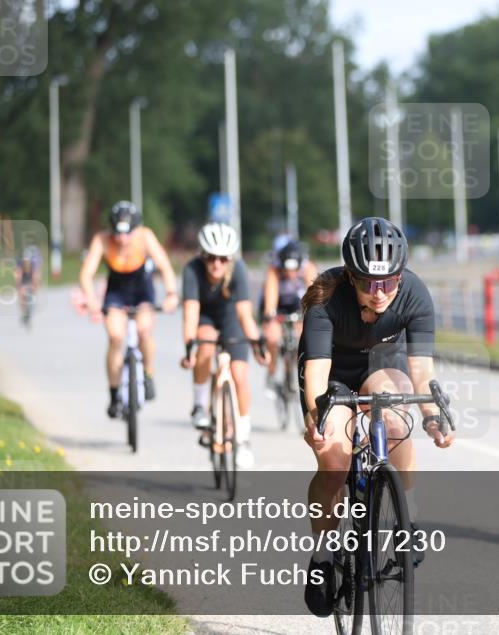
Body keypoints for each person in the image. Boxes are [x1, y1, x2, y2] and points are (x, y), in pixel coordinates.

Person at [298, 216, 455, 617]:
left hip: (382, 365)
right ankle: (323, 556)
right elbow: (316, 374)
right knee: (334, 463)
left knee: (396, 420)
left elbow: (421, 370)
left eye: (389, 281)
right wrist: (317, 419)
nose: (380, 292)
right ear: (351, 277)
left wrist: (432, 416)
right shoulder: (326, 299)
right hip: (331, 374)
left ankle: (408, 515)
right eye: (369, 283)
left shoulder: (414, 293)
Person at [79, 201, 179, 419]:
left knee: (145, 330)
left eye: (127, 234)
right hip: (116, 292)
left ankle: (148, 373)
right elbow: (86, 273)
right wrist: (91, 299)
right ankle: (114, 393)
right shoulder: (102, 240)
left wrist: (171, 294)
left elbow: (164, 265)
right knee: (115, 337)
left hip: (142, 291)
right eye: (117, 233)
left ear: (135, 229)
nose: (122, 239)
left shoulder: (145, 237)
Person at [180, 222, 266, 468]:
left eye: (223, 259)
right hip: (205, 317)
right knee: (206, 345)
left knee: (239, 374)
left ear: (231, 258)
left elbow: (245, 314)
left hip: (231, 317)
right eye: (211, 258)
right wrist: (189, 349)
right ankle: (199, 405)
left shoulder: (238, 269)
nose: (217, 264)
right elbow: (190, 314)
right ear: (202, 255)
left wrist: (257, 345)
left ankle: (243, 438)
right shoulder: (192, 270)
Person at [260, 239, 318, 388]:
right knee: (272, 336)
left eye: (294, 270)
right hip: (278, 304)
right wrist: (270, 317)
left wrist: (313, 316)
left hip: (296, 304)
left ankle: (298, 370)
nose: (291, 274)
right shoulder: (274, 270)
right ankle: (272, 371)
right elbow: (270, 299)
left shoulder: (308, 268)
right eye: (287, 270)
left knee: (303, 334)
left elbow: (315, 298)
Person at [15, 245, 42, 320]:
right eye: (25, 261)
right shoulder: (20, 264)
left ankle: (32, 303)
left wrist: (35, 287)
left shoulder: (33, 264)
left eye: (28, 261)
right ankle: (24, 311)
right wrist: (18, 286)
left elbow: (35, 276)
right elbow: (18, 276)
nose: (27, 263)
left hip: (30, 278)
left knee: (34, 287)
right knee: (21, 293)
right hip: (23, 278)